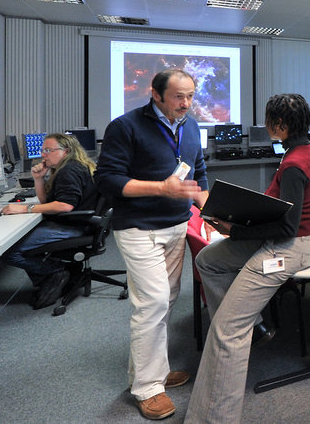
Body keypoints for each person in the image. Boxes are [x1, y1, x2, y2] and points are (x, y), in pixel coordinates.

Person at [185, 94, 310, 424]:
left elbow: (287, 228)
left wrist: (236, 229)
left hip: (291, 247)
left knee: (226, 330)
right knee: (208, 261)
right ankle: (255, 327)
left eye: (268, 120)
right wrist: (245, 216)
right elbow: (285, 209)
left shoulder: (294, 163)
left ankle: (216, 417)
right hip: (288, 238)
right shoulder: (305, 150)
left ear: (281, 125)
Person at [94, 68, 208, 420]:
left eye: (190, 96)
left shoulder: (189, 126)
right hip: (138, 227)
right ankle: (147, 388)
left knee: (164, 301)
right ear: (156, 94)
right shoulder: (125, 126)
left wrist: (209, 205)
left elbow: (198, 169)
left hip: (176, 224)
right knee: (153, 302)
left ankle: (152, 372)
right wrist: (160, 187)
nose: (185, 103)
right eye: (178, 96)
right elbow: (108, 180)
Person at [0, 133, 100, 309]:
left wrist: (24, 208)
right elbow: (47, 203)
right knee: (20, 240)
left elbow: (64, 206)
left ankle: (55, 271)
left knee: (7, 250)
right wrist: (39, 179)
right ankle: (55, 276)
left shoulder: (69, 171)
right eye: (43, 150)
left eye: (48, 150)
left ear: (65, 151)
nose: (43, 155)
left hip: (73, 227)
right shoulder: (73, 166)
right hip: (81, 224)